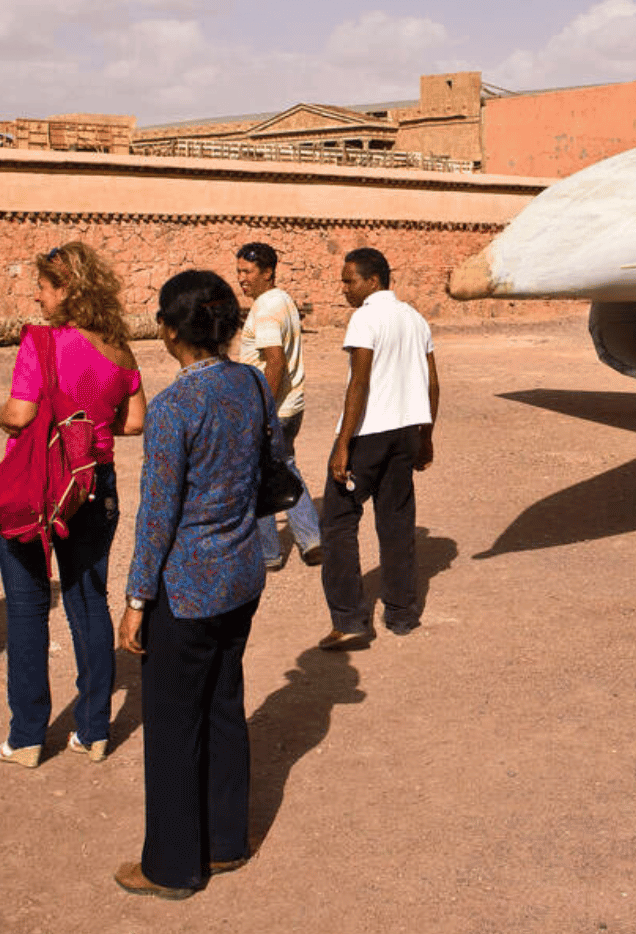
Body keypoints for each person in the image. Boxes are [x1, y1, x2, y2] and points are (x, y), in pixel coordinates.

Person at [114, 269, 271, 899]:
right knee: (224, 705)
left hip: (186, 590)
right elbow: (275, 465)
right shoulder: (252, 383)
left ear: (172, 328)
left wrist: (135, 601)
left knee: (175, 723)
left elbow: (157, 515)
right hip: (240, 577)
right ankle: (226, 841)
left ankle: (173, 866)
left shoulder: (176, 405)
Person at [0, 242, 143, 768]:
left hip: (40, 487)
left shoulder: (42, 343)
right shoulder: (120, 348)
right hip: (95, 484)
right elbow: (136, 420)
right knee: (87, 603)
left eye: (44, 286)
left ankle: (28, 737)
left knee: (28, 609)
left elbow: (19, 413)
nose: (38, 295)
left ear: (67, 290)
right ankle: (94, 731)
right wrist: (92, 427)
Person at [320, 247, 438, 650]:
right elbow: (432, 383)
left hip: (369, 433)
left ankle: (350, 620)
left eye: (349, 280)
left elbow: (360, 382)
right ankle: (402, 614)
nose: (344, 288)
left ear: (373, 281)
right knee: (397, 521)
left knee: (337, 521)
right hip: (406, 430)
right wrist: (425, 436)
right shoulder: (415, 318)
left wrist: (342, 444)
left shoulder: (365, 317)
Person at [233, 242, 320, 571]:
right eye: (239, 271)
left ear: (267, 272)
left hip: (274, 408)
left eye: (248, 272)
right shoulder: (282, 300)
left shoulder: (266, 310)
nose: (242, 278)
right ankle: (311, 540)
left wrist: (262, 411)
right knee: (285, 466)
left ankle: (269, 553)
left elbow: (274, 363)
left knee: (258, 477)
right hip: (292, 406)